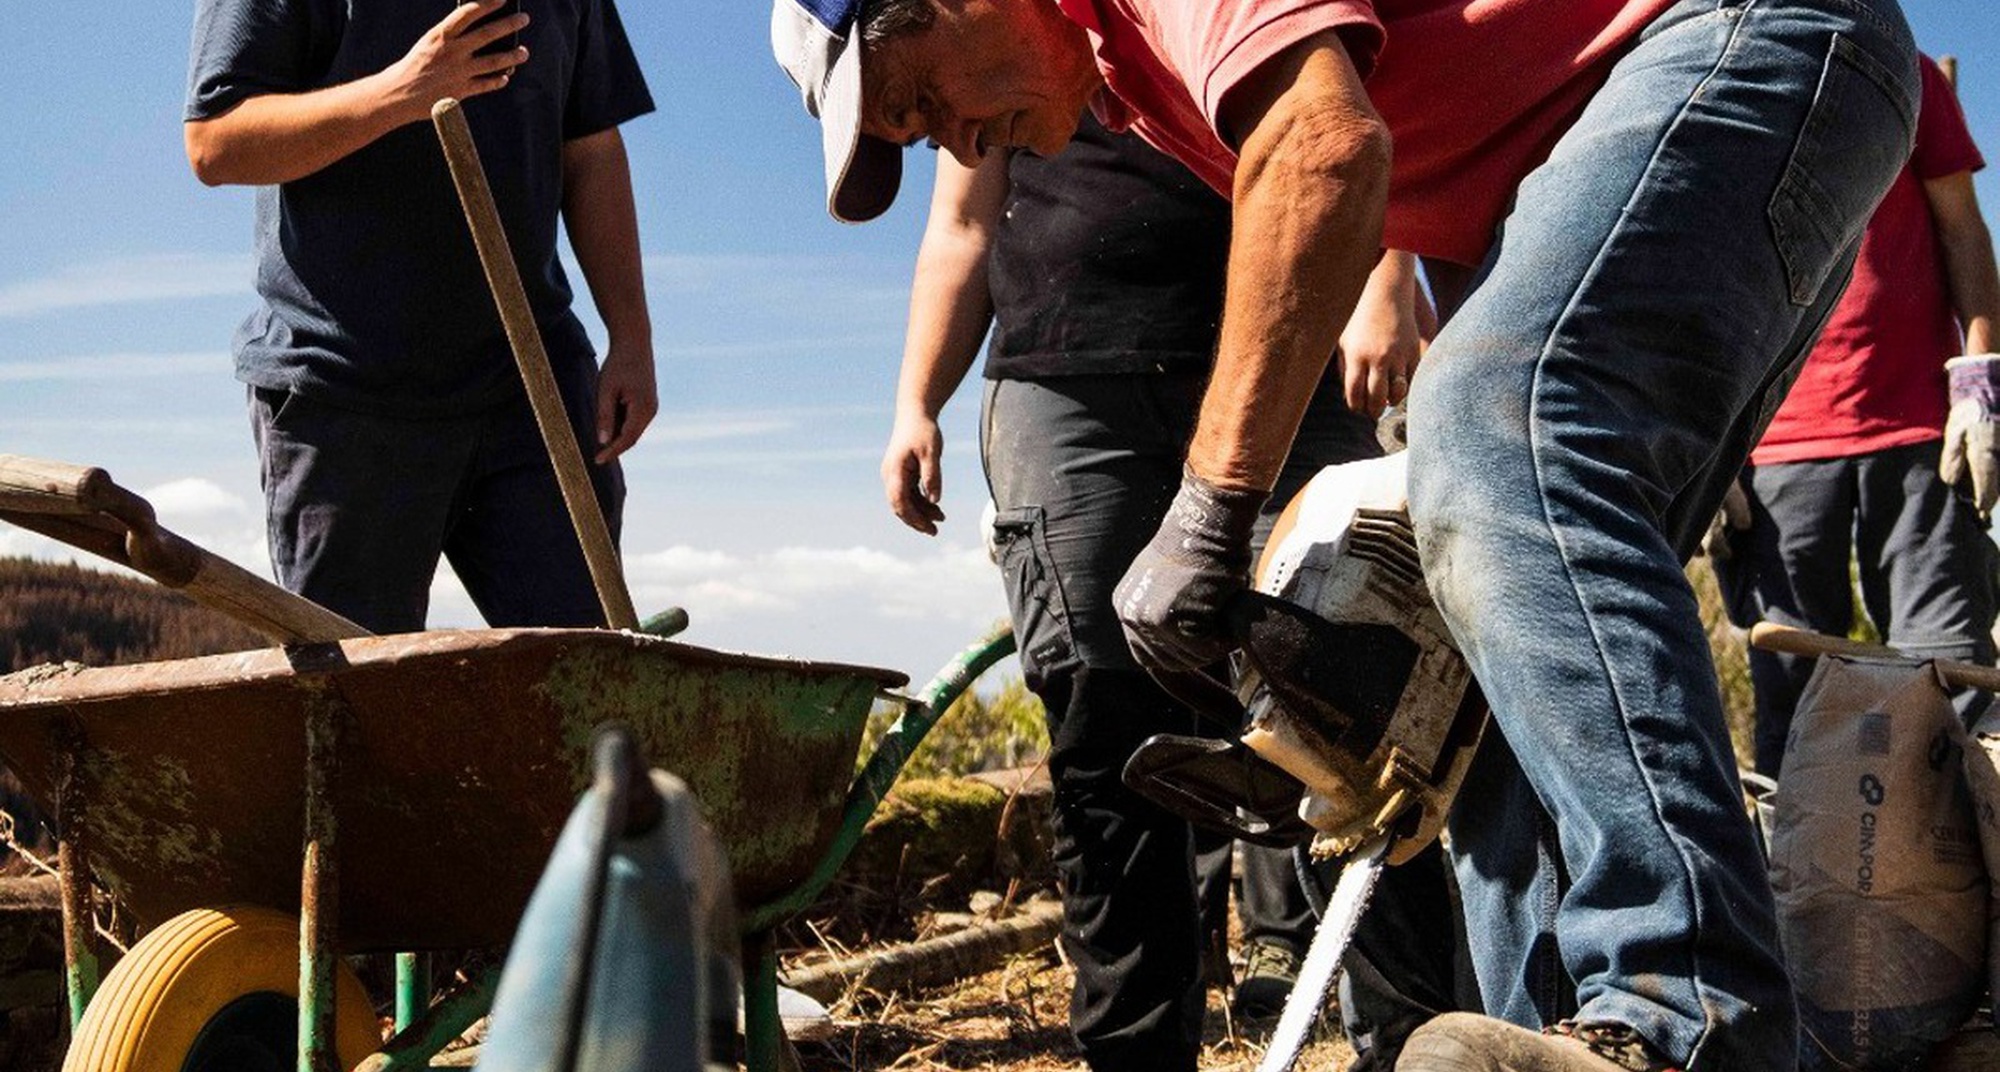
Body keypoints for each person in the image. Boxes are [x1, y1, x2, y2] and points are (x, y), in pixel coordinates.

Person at [773, 1, 1921, 1070]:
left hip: (1734, 36)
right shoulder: (1125, 79)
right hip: (1576, 142)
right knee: (1476, 640)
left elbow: (1321, 151)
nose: (961, 146)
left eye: (922, 99)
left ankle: (1684, 1015)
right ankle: (1558, 1032)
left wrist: (1210, 509)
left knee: (1493, 422)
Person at [881, 112, 1426, 1065]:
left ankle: (1409, 1044)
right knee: (1103, 722)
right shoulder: (985, 43)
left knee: (1356, 717)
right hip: (1073, 376)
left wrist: (1385, 279)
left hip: (1292, 353)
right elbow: (962, 222)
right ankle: (1138, 1055)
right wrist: (914, 402)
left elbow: (1380, 114)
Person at [185, 0, 656, 632]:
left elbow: (591, 148)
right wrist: (402, 90)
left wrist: (631, 335)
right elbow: (216, 140)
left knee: (593, 687)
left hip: (532, 386)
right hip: (345, 398)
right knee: (363, 705)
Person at [1712, 53, 2000, 777]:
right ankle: (1799, 878)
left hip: (1917, 431)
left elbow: (1964, 228)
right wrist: (1705, 440)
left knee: (1951, 670)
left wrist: (1981, 373)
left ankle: (1962, 874)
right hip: (1772, 442)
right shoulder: (1714, 75)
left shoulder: (1901, 69)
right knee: (1791, 681)